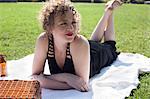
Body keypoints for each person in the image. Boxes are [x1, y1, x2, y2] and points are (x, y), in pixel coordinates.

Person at [32, 0, 123, 92]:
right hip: (84, 51)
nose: (71, 27)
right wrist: (66, 77)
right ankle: (107, 12)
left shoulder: (80, 43)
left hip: (95, 57)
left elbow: (82, 84)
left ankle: (110, 13)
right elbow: (34, 77)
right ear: (49, 27)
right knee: (93, 42)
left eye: (74, 22)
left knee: (110, 46)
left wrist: (45, 79)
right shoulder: (44, 40)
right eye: (63, 23)